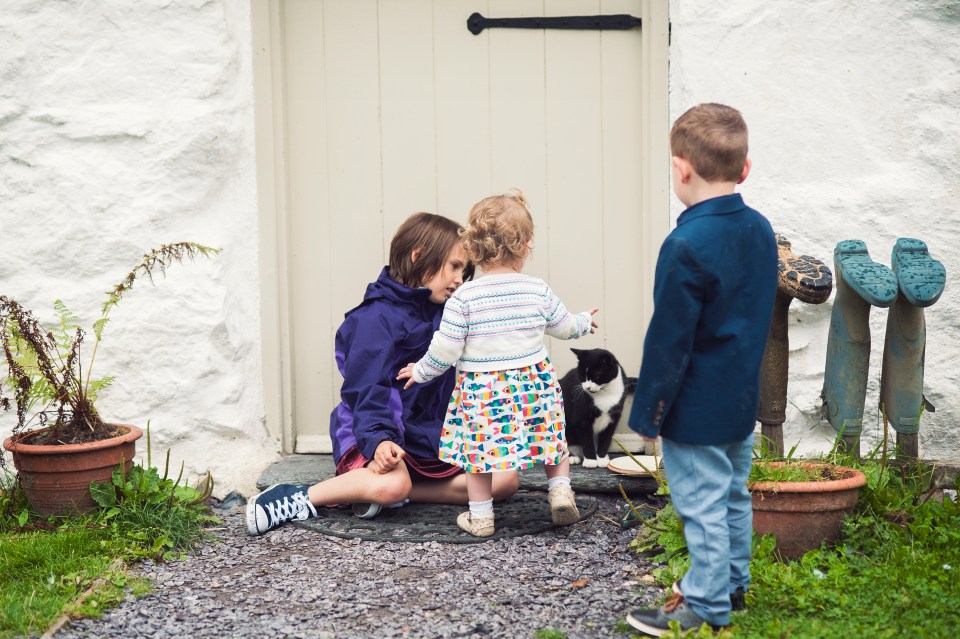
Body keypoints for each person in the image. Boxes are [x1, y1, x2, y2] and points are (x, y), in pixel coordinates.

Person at [246, 212, 519, 536]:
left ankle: (394, 493)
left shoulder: (448, 314)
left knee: (504, 480)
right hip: (375, 425)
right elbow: (367, 390)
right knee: (392, 483)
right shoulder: (375, 318)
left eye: (464, 270)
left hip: (425, 434)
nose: (460, 279)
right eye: (454, 266)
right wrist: (378, 441)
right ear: (418, 256)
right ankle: (300, 498)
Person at [624, 104, 777, 635]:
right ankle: (731, 585)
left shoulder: (685, 244)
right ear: (745, 169)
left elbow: (669, 341)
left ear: (681, 168)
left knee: (702, 505)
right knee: (733, 494)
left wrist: (648, 412)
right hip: (739, 399)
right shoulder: (760, 229)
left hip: (696, 409)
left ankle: (707, 606)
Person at [397, 189, 598, 537]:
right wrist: (583, 322)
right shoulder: (537, 289)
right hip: (534, 382)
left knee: (478, 453)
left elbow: (445, 350)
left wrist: (420, 371)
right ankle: (561, 491)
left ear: (473, 248)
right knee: (552, 437)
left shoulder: (464, 297)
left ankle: (481, 516)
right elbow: (564, 327)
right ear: (526, 245)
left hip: (484, 390)